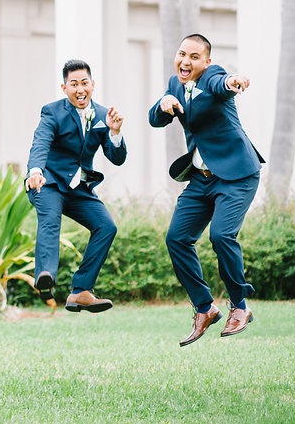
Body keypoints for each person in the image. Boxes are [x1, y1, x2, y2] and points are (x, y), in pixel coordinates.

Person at [148, 34, 263, 346]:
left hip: (236, 175)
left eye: (194, 57)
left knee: (221, 235)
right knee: (176, 238)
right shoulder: (175, 84)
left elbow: (221, 83)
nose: (186, 61)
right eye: (182, 54)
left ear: (206, 62)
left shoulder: (213, 75)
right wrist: (163, 104)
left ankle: (239, 306)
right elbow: (154, 120)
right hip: (201, 178)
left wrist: (233, 81)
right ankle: (204, 308)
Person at [24, 59, 126, 313]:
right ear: (64, 87)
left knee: (106, 226)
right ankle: (45, 276)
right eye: (74, 84)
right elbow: (41, 142)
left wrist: (115, 133)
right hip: (48, 183)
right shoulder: (52, 112)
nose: (80, 89)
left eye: (84, 83)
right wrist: (35, 171)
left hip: (79, 189)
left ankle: (81, 291)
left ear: (92, 85)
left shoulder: (103, 116)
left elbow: (117, 159)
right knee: (50, 219)